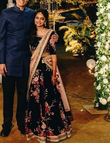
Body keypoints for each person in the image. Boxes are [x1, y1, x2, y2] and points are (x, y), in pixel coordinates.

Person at [25, 9, 72, 143]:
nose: (38, 21)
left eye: (41, 18)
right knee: (34, 98)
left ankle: (52, 131)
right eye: (37, 18)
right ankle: (36, 129)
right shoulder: (31, 33)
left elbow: (54, 55)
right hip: (33, 69)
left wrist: (53, 75)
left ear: (45, 20)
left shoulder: (50, 34)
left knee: (49, 98)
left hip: (46, 68)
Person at [0, 0, 35, 137]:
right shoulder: (6, 13)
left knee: (22, 94)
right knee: (8, 94)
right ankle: (6, 124)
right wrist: (1, 61)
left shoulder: (31, 14)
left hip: (25, 60)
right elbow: (1, 39)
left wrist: (51, 36)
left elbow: (38, 30)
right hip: (9, 60)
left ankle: (21, 122)